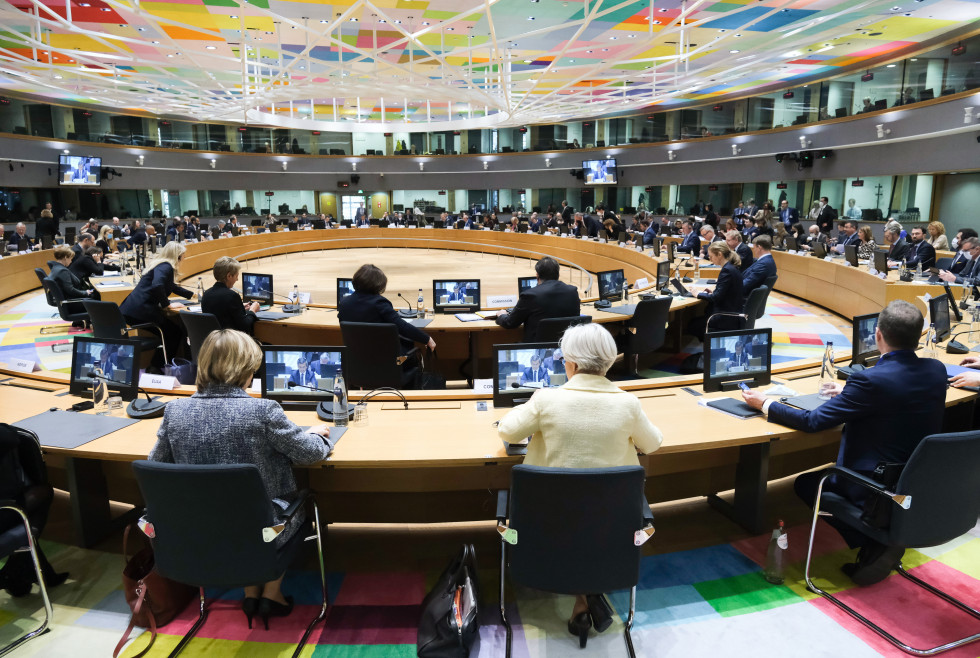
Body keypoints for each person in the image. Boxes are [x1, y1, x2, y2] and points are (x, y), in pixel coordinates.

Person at [741, 301, 947, 586]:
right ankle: (879, 539)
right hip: (915, 481)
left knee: (804, 485)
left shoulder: (870, 381)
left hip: (872, 485)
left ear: (878, 335)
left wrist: (766, 403)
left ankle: (872, 539)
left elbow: (812, 422)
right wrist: (850, 392)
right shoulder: (936, 370)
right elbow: (899, 392)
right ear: (919, 335)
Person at [149, 329, 332, 628]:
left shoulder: (175, 411)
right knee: (280, 506)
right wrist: (317, 435)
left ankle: (251, 591)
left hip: (196, 528)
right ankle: (271, 594)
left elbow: (156, 466)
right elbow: (309, 453)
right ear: (246, 369)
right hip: (262, 531)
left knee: (234, 503)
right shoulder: (263, 411)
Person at [497, 323, 663, 646]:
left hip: (545, 528)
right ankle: (587, 594)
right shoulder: (628, 404)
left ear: (570, 363)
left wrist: (535, 413)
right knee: (591, 510)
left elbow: (506, 430)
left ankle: (583, 598)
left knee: (572, 510)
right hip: (609, 530)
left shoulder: (546, 399)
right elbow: (653, 443)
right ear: (610, 362)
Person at [119, 242, 195, 366]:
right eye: (183, 255)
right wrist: (167, 305)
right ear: (177, 256)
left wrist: (192, 295)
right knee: (174, 333)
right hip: (141, 311)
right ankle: (158, 367)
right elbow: (157, 285)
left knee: (170, 332)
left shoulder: (159, 264)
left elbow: (170, 286)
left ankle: (158, 365)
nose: (184, 258)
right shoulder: (166, 266)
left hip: (131, 309)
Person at [338, 264, 436, 357]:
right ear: (378, 285)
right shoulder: (379, 303)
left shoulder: (343, 304)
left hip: (356, 360)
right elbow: (402, 326)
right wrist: (427, 339)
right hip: (385, 360)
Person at [495, 256, 581, 341]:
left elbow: (510, 323)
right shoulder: (572, 291)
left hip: (537, 349)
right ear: (558, 274)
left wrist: (502, 315)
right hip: (567, 347)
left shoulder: (530, 295)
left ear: (537, 275)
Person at [690, 242, 745, 338]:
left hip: (725, 317)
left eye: (711, 256)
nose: (709, 259)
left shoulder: (727, 270)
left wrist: (698, 294)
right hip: (732, 312)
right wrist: (713, 292)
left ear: (719, 254)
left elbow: (716, 298)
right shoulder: (731, 267)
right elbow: (726, 293)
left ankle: (710, 348)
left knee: (692, 325)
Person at [201, 256, 259, 335]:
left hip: (213, 341)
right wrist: (252, 310)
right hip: (230, 343)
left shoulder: (206, 294)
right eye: (236, 276)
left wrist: (240, 308)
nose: (237, 279)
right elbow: (245, 326)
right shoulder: (232, 296)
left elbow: (222, 311)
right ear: (229, 276)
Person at [45, 245, 95, 324]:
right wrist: (85, 292)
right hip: (72, 304)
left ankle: (82, 322)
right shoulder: (62, 271)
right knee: (96, 296)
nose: (71, 261)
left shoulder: (55, 267)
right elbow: (70, 290)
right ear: (65, 257)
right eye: (71, 259)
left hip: (67, 301)